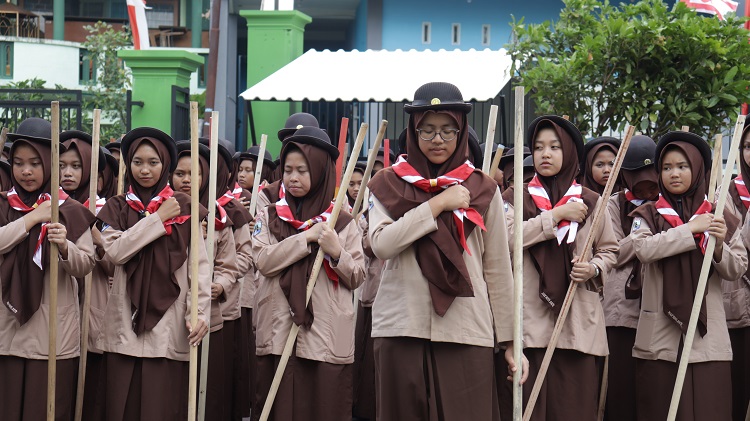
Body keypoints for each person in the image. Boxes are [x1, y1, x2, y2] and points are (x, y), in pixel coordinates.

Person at [368, 82, 523, 420]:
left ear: (461, 131)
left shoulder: (483, 187)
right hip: (401, 326)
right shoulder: (386, 183)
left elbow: (497, 268)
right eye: (427, 130)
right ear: (413, 131)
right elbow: (382, 244)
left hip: (466, 328)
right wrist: (436, 205)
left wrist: (511, 341)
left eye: (447, 130)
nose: (437, 140)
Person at [502, 115, 618, 421]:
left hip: (576, 319)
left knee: (573, 407)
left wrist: (593, 268)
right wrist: (554, 216)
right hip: (530, 322)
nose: (545, 154)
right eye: (538, 147)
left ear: (569, 152)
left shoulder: (592, 201)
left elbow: (609, 250)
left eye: (555, 146)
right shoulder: (515, 197)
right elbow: (507, 240)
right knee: (530, 408)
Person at [96, 127, 211, 420]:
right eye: (137, 162)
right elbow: (116, 252)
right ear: (128, 165)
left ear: (165, 166)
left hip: (168, 326)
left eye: (153, 162)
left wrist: (200, 313)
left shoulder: (186, 208)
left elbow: (198, 268)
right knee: (121, 407)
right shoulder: (117, 207)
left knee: (160, 408)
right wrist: (158, 219)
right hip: (124, 322)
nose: (144, 170)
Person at [252, 126, 366, 421]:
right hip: (278, 333)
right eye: (288, 170)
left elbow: (356, 276)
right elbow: (263, 260)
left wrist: (336, 250)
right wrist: (305, 239)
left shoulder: (341, 222)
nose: (292, 177)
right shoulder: (270, 215)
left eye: (302, 170)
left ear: (319, 171)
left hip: (324, 340)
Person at [630, 131, 746, 421]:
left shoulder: (719, 216)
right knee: (662, 409)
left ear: (697, 170)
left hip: (708, 340)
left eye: (682, 166)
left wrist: (718, 244)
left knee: (710, 410)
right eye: (667, 168)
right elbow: (644, 249)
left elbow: (736, 268)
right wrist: (691, 230)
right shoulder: (647, 214)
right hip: (660, 339)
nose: (674, 174)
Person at [0, 117, 97, 420]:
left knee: (44, 410)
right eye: (18, 163)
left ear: (49, 164)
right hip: (6, 330)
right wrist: (31, 219)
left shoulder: (69, 209)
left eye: (34, 163)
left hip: (52, 330)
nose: (26, 171)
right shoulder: (4, 205)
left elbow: (86, 264)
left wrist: (66, 246)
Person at [172, 139, 240, 421]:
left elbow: (231, 264)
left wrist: (220, 283)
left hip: (205, 315)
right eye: (180, 173)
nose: (187, 180)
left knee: (204, 391)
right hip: (166, 315)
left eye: (194, 174)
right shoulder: (155, 210)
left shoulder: (219, 216)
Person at [602, 134, 659, 421]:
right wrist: (644, 235)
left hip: (658, 306)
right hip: (620, 308)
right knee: (620, 389)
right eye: (636, 174)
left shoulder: (668, 202)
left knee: (652, 390)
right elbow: (613, 251)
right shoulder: (611, 204)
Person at [59, 129, 113, 421]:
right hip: (58, 313)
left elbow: (116, 264)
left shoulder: (105, 210)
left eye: (76, 166)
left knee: (89, 392)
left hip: (93, 309)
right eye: (62, 165)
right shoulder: (47, 206)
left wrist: (94, 234)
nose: (68, 173)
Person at [200, 137, 254, 421]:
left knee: (216, 381)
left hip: (223, 306)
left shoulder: (233, 210)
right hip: (182, 308)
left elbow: (245, 256)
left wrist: (222, 282)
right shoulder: (174, 206)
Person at [726, 122, 750, 421]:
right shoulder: (729, 191)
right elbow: (735, 245)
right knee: (738, 386)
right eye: (747, 146)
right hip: (739, 301)